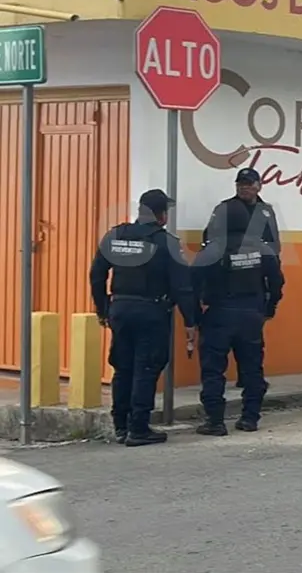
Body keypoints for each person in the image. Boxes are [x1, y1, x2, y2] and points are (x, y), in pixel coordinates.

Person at [89, 189, 197, 446]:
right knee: (145, 369)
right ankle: (138, 428)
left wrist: (103, 309)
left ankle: (120, 426)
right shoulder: (166, 242)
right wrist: (191, 321)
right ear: (161, 215)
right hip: (151, 312)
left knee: (122, 368)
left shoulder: (116, 235)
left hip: (120, 310)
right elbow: (182, 286)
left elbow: (96, 275)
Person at [192, 201, 285, 436]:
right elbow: (277, 282)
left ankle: (215, 421)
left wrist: (193, 317)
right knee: (252, 368)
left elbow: (191, 284)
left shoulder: (212, 249)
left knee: (213, 370)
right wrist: (269, 307)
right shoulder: (262, 249)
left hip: (219, 314)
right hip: (251, 315)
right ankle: (250, 418)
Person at [202, 167, 281, 389]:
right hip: (227, 278)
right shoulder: (225, 208)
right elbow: (208, 238)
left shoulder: (266, 211)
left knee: (252, 335)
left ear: (259, 185)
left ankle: (249, 377)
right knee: (225, 339)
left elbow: (274, 243)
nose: (244, 188)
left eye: (248, 184)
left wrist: (273, 271)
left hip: (257, 275)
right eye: (240, 184)